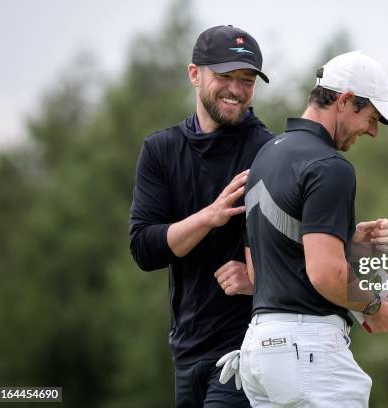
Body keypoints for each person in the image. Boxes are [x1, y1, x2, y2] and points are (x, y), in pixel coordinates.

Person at [239, 50, 388, 407]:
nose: (374, 132)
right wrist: (377, 306)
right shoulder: (331, 166)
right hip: (308, 351)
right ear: (345, 101)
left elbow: (260, 270)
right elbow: (325, 274)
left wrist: (344, 241)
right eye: (372, 117)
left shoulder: (265, 157)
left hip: (259, 352)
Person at [129, 25, 272, 407]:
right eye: (225, 76)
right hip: (187, 350)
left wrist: (259, 279)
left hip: (247, 349)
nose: (237, 90)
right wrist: (209, 217)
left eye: (247, 80)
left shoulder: (268, 152)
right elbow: (145, 249)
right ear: (195, 74)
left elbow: (297, 249)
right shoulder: (160, 150)